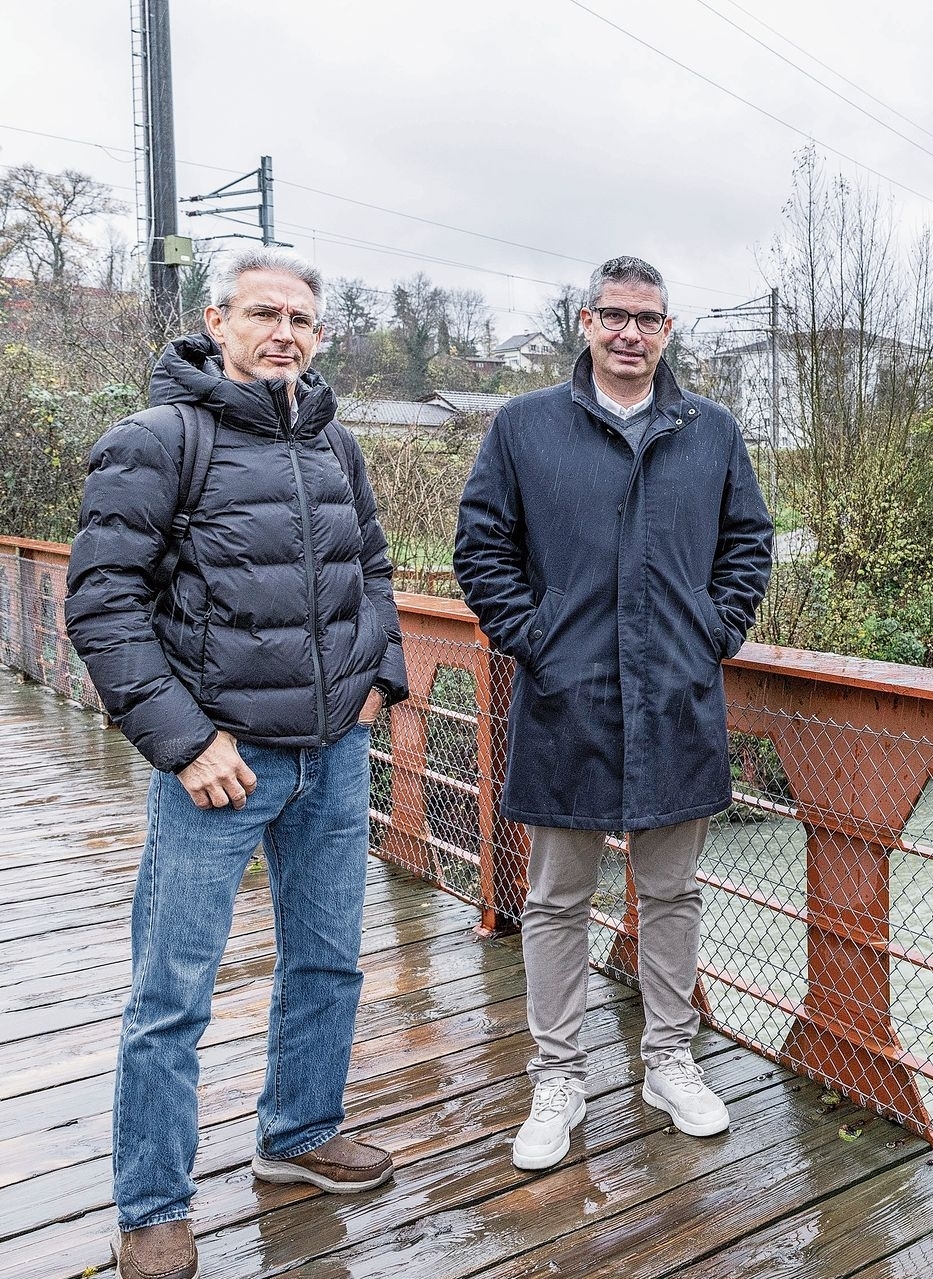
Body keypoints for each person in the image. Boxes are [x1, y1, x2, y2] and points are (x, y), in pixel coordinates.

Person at [65, 246, 407, 1279]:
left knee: (329, 961)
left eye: (303, 319)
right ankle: (153, 1205)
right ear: (216, 319)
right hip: (221, 763)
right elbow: (103, 604)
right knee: (171, 992)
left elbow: (374, 569)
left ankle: (298, 1136)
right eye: (265, 313)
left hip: (332, 754)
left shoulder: (333, 443)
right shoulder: (159, 440)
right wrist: (187, 741)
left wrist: (379, 677)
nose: (285, 334)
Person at [454, 255, 772, 1171]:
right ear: (585, 322)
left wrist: (714, 629)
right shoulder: (524, 427)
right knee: (557, 900)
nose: (631, 332)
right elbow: (482, 545)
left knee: (673, 893)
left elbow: (749, 540)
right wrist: (534, 637)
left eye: (649, 318)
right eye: (615, 315)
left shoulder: (709, 430)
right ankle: (560, 1074)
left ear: (668, 331)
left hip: (676, 698)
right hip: (569, 698)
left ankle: (668, 1058)